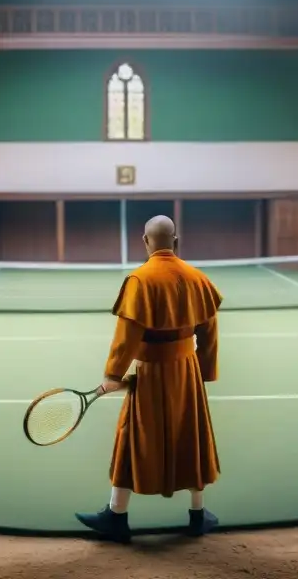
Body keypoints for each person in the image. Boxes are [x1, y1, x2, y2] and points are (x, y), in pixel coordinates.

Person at [75, 215, 222, 544]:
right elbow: (210, 332)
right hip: (188, 372)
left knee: (132, 438)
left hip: (150, 373)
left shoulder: (140, 280)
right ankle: (198, 515)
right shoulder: (199, 278)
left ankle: (116, 515)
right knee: (191, 434)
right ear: (177, 241)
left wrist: (113, 374)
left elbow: (127, 336)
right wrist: (204, 371)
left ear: (145, 241)